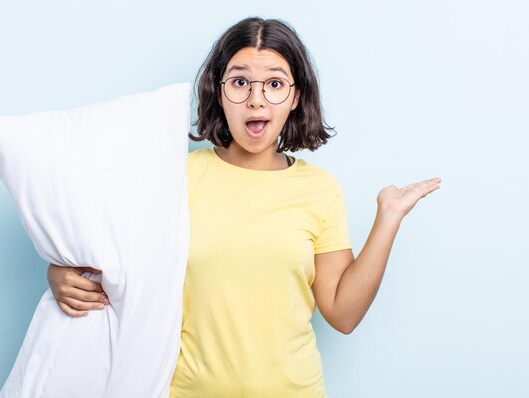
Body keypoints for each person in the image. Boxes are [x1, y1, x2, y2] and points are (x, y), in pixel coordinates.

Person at [46, 17, 441, 397]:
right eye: (239, 82)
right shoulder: (173, 178)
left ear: (296, 96)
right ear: (219, 92)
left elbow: (342, 313)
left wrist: (388, 219)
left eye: (274, 84)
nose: (256, 100)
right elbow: (112, 259)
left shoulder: (318, 189)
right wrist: (60, 272)